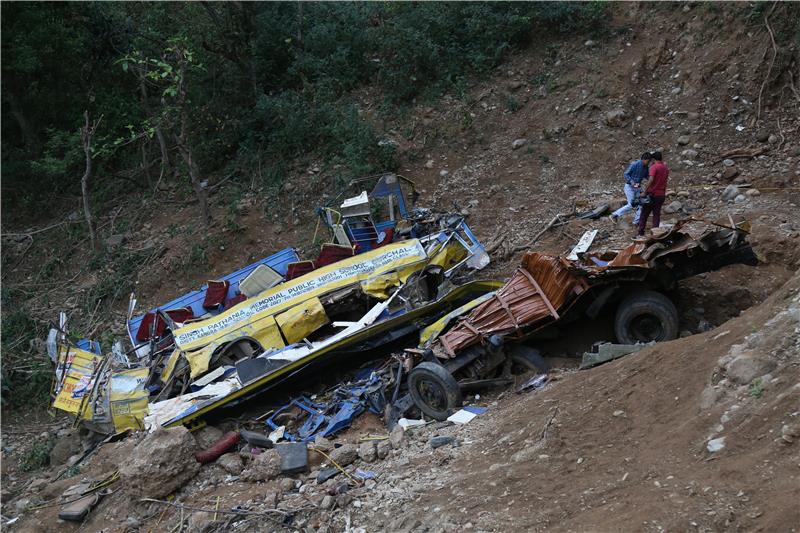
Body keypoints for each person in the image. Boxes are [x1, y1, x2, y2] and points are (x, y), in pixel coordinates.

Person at [609, 152, 652, 225]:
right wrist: (632, 182)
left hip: (637, 187)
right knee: (631, 204)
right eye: (648, 161)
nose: (649, 163)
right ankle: (614, 215)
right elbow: (626, 174)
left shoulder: (646, 168)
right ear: (644, 159)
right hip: (629, 186)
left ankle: (636, 222)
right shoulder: (634, 164)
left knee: (641, 203)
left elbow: (647, 177)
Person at [637, 151, 669, 236]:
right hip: (661, 195)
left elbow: (650, 180)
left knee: (644, 214)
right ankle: (655, 234)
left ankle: (640, 233)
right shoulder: (665, 168)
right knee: (656, 215)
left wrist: (644, 192)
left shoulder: (654, 167)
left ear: (653, 159)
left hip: (652, 194)